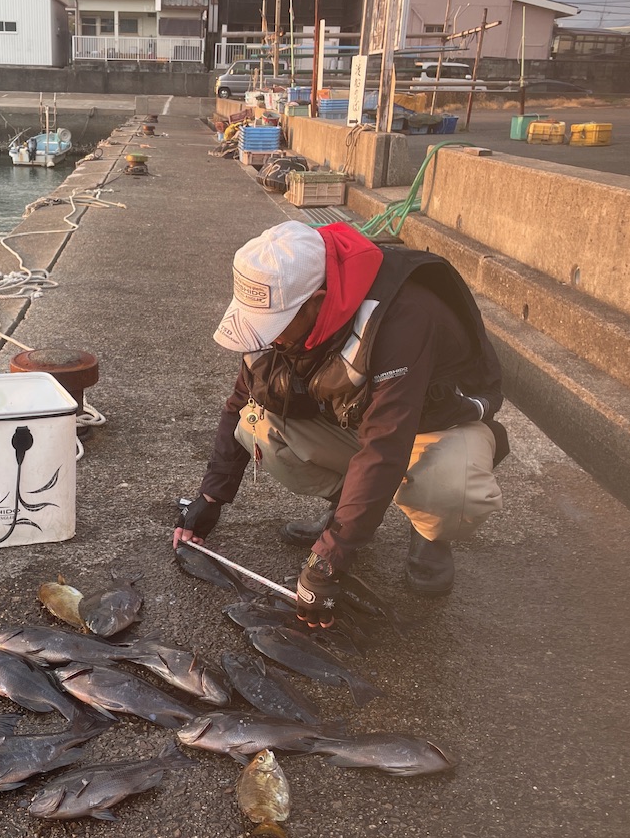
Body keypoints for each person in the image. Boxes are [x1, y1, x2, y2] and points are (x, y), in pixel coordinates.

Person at [172, 220, 508, 628]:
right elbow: (242, 399)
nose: (270, 339)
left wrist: (329, 559)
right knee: (255, 424)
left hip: (433, 427)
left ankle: (430, 533)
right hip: (358, 419)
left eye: (275, 326)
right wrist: (209, 499)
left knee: (453, 493)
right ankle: (348, 510)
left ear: (318, 300)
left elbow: (386, 443)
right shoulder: (286, 311)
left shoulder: (406, 317)